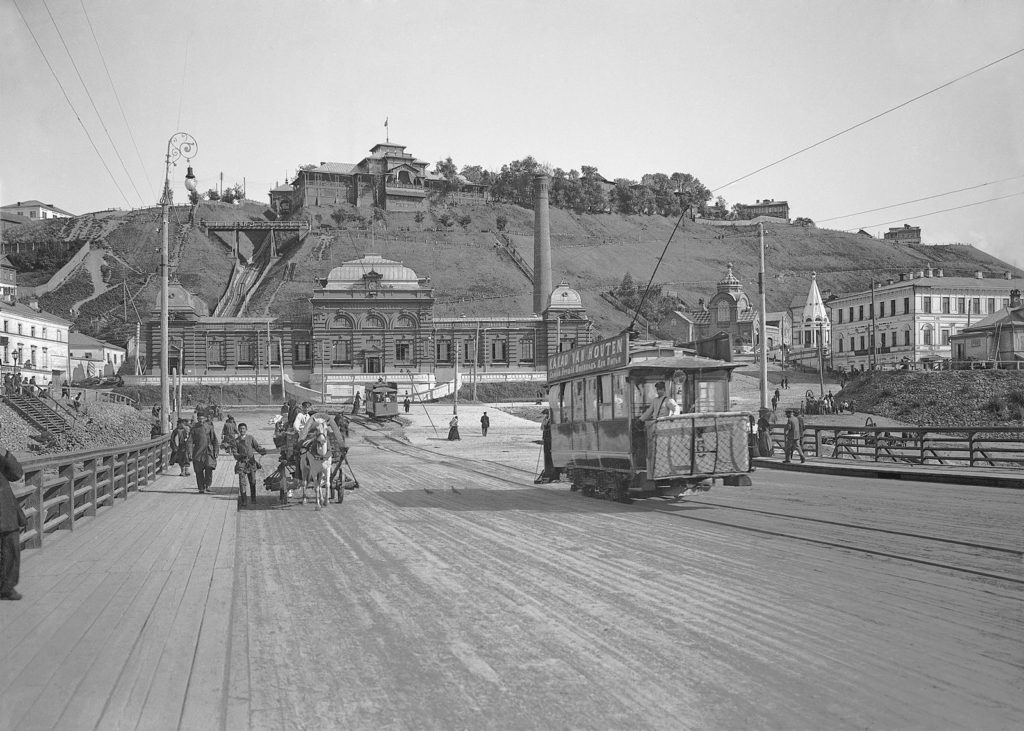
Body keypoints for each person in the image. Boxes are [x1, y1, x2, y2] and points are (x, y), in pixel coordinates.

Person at [0, 447, 26, 600]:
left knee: (11, 549)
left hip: (5, 509)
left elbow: (16, 474)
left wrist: (5, 454)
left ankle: (7, 588)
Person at [232, 422, 267, 506]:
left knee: (253, 481)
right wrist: (240, 456)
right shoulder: (236, 441)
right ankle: (244, 500)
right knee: (242, 482)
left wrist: (262, 451)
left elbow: (257, 447)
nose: (242, 430)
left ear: (246, 429)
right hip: (242, 464)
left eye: (243, 428)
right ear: (238, 430)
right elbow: (234, 452)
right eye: (240, 429)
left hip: (251, 463)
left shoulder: (250, 438)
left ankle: (253, 498)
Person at [190, 413, 219, 493]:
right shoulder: (194, 429)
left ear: (205, 418)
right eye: (199, 418)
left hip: (208, 451)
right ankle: (201, 488)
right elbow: (190, 441)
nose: (201, 420)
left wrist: (216, 450)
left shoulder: (209, 427)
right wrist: (189, 452)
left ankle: (208, 485)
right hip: (198, 452)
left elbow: (215, 440)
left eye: (202, 418)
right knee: (198, 471)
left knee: (209, 468)